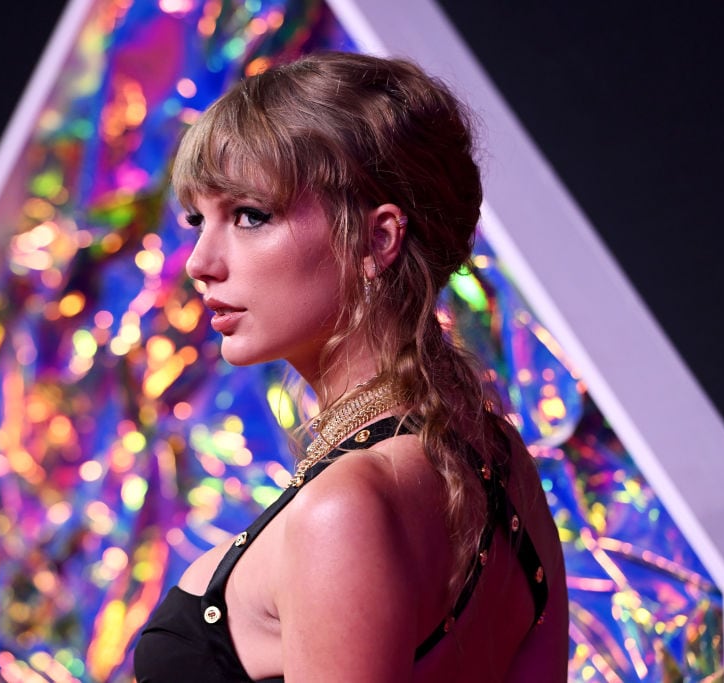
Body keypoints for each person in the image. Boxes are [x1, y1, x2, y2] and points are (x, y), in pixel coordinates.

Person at [133, 51, 568, 682]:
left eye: (250, 216)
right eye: (199, 220)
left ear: (376, 239)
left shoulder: (345, 506)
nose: (200, 262)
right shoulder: (499, 461)